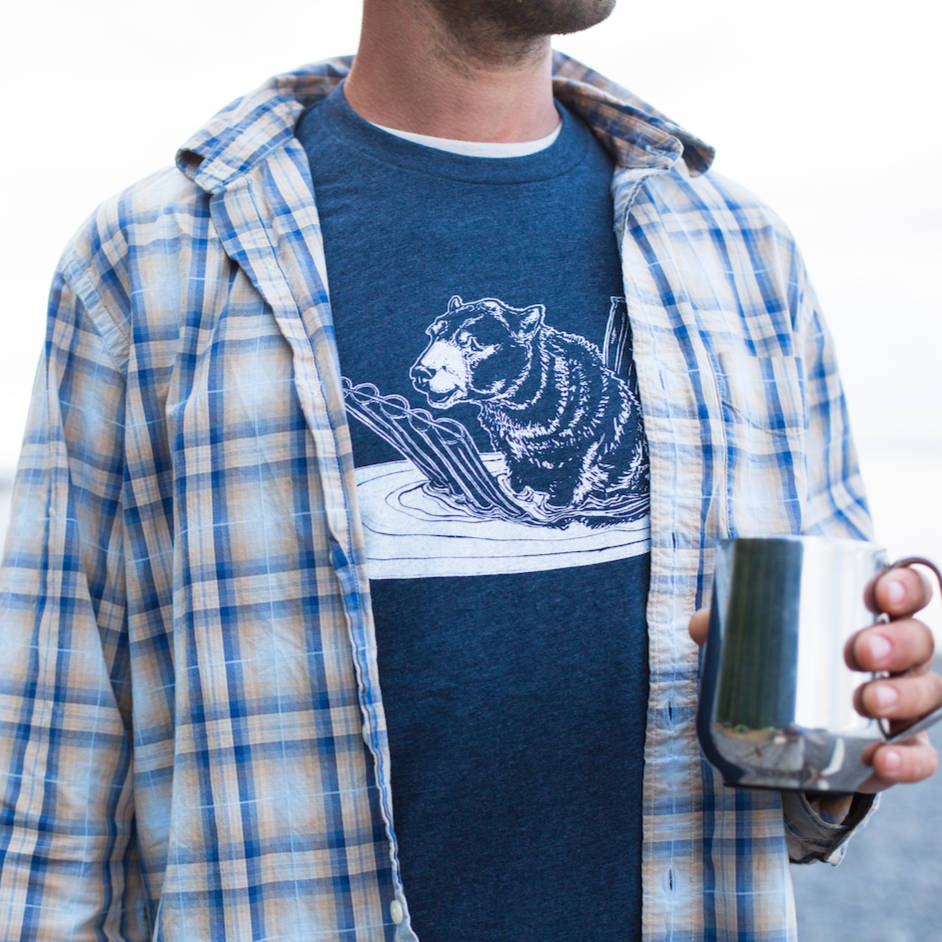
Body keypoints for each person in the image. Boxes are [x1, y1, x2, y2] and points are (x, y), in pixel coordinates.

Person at [0, 0, 939, 939]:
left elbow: (812, 768)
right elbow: (50, 797)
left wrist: (860, 729)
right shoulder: (150, 263)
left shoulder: (744, 255)